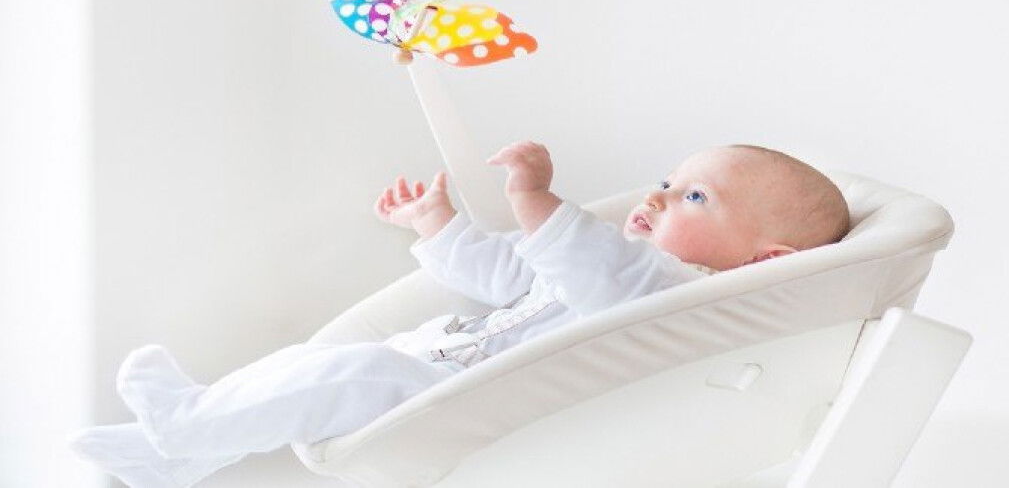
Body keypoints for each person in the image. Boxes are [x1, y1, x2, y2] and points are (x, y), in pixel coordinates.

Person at [68, 142, 849, 487]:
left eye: (694, 196)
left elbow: (596, 271)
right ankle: (184, 447)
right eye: (667, 180)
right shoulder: (624, 259)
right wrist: (435, 226)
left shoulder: (675, 293)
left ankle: (185, 430)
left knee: (349, 372)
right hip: (438, 361)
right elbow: (509, 272)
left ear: (763, 259)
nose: (657, 196)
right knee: (306, 365)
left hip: (466, 401)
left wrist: (535, 198)